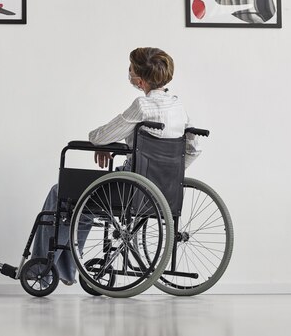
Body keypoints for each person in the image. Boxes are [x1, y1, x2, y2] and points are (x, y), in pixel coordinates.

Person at [31, 47, 201, 286]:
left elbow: (98, 136)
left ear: (139, 80)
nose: (128, 72)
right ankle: (68, 269)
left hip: (129, 189)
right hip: (163, 192)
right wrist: (167, 174)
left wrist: (104, 142)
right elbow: (193, 149)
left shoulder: (143, 106)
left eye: (130, 69)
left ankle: (43, 268)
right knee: (86, 207)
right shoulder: (179, 108)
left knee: (60, 193)